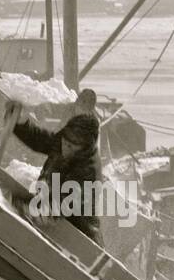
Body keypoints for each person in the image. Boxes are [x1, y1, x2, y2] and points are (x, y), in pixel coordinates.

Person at [9, 102, 104, 245]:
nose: (65, 148)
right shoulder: (62, 141)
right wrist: (19, 123)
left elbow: (60, 206)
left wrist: (21, 206)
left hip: (77, 238)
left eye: (72, 146)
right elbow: (40, 140)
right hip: (49, 218)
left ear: (85, 148)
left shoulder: (88, 172)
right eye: (65, 142)